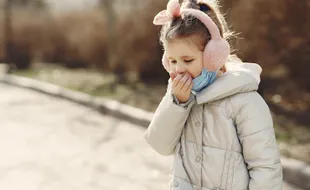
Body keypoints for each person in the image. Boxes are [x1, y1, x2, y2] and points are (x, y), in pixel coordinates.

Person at [144, 0, 283, 189]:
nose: (179, 69)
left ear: (214, 55)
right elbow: (160, 144)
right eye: (172, 61)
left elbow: (265, 168)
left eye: (187, 60)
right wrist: (177, 103)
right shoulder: (178, 96)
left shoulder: (244, 101)